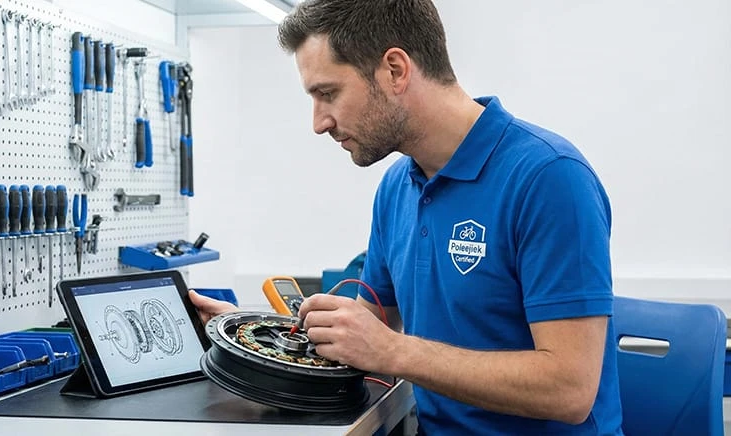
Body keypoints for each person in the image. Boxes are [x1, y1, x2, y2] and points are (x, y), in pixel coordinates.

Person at [190, 0, 623, 433]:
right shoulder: (398, 186)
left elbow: (569, 391)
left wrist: (395, 351)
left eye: (328, 93)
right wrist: (248, 333)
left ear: (395, 71)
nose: (319, 122)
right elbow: (361, 339)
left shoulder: (549, 178)